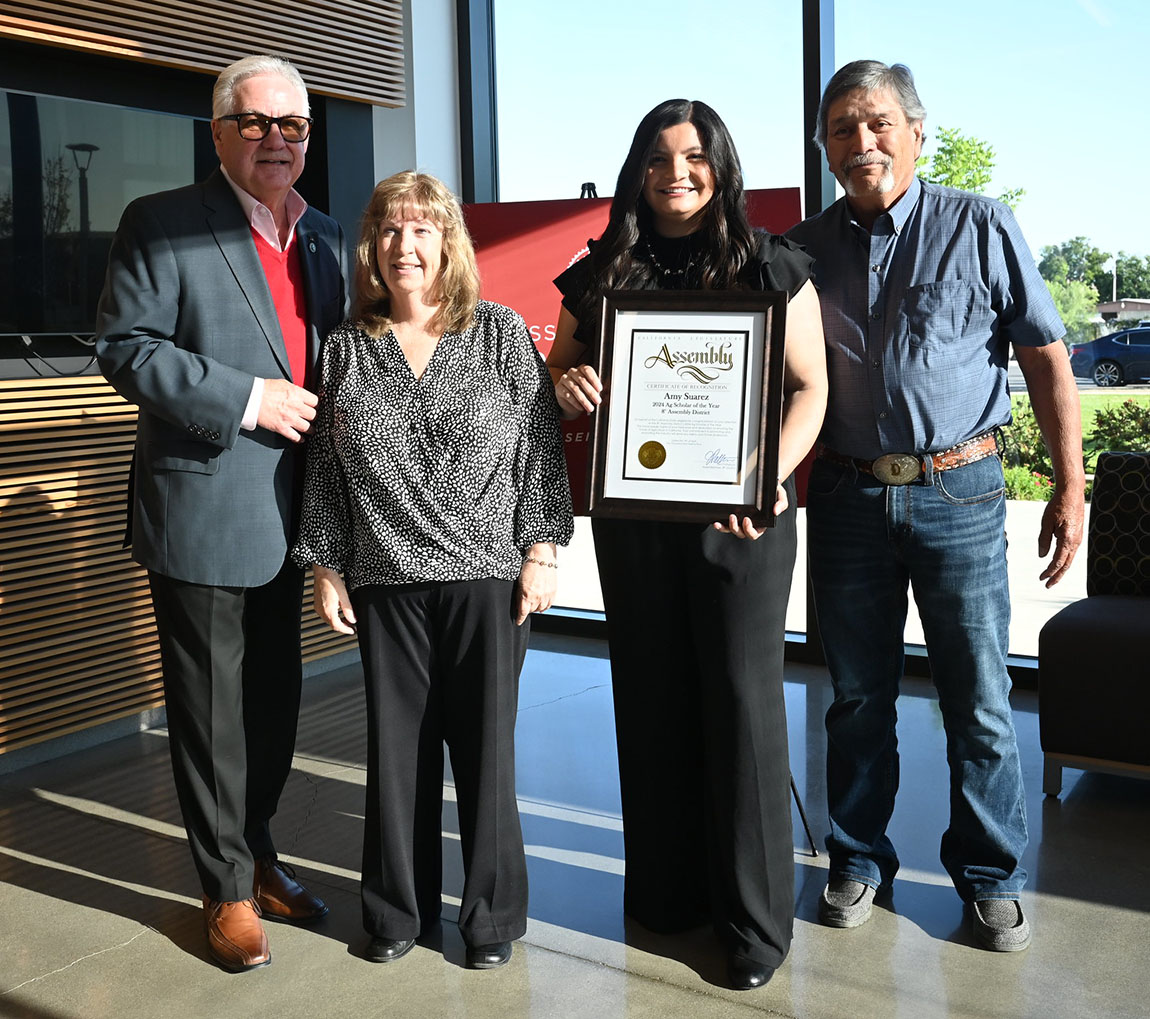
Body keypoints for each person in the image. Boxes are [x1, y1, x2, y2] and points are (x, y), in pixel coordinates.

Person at [788, 60, 1084, 952]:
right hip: (844, 494)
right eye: (842, 128)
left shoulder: (983, 224)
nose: (861, 141)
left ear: (918, 131)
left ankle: (991, 873)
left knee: (979, 696)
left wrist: (1071, 486)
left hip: (961, 489)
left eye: (878, 123)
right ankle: (856, 857)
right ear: (826, 146)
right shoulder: (800, 248)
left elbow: (1046, 358)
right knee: (855, 695)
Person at [547, 99, 827, 990]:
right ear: (638, 168)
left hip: (742, 525)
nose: (679, 171)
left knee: (743, 709)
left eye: (696, 156)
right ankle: (666, 896)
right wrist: (569, 383)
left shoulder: (773, 261)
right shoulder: (597, 276)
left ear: (721, 165)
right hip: (636, 527)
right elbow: (560, 370)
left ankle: (753, 922)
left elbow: (810, 389)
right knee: (653, 697)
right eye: (661, 156)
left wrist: (768, 480)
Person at [95, 54, 347, 972]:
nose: (277, 139)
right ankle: (226, 890)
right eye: (258, 123)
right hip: (204, 507)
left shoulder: (326, 233)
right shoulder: (160, 223)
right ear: (219, 130)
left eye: (294, 126)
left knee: (276, 706)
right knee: (211, 714)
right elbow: (125, 348)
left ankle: (260, 851)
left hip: (296, 514)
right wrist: (250, 397)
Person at [292, 171, 573, 971]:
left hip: (487, 575)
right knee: (396, 755)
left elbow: (538, 451)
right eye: (389, 230)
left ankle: (490, 921)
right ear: (370, 249)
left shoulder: (500, 332)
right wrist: (324, 565)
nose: (404, 245)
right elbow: (324, 468)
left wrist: (541, 549)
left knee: (486, 757)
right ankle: (394, 911)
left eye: (421, 229)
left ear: (449, 241)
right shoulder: (345, 347)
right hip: (383, 578)